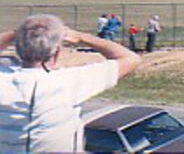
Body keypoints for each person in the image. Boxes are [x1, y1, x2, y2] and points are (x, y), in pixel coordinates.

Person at [0, 14, 140, 152]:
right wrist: (83, 37)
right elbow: (131, 59)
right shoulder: (71, 81)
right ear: (56, 53)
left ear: (18, 49)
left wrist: (16, 34)